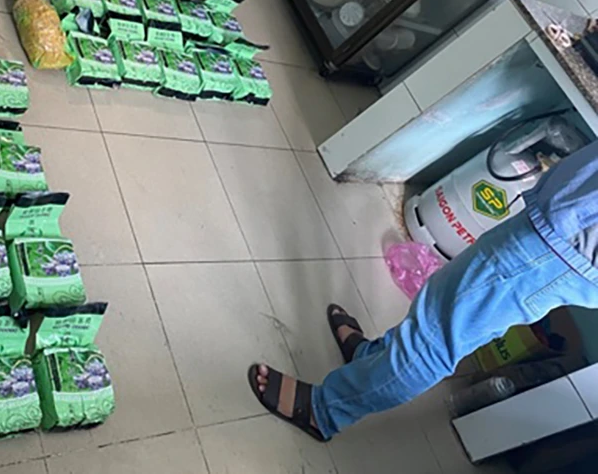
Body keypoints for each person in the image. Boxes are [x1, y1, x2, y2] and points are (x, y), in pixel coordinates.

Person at [248, 139, 598, 442]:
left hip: (566, 242)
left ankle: (325, 410)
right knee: (441, 306)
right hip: (564, 232)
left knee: (438, 334)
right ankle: (371, 358)